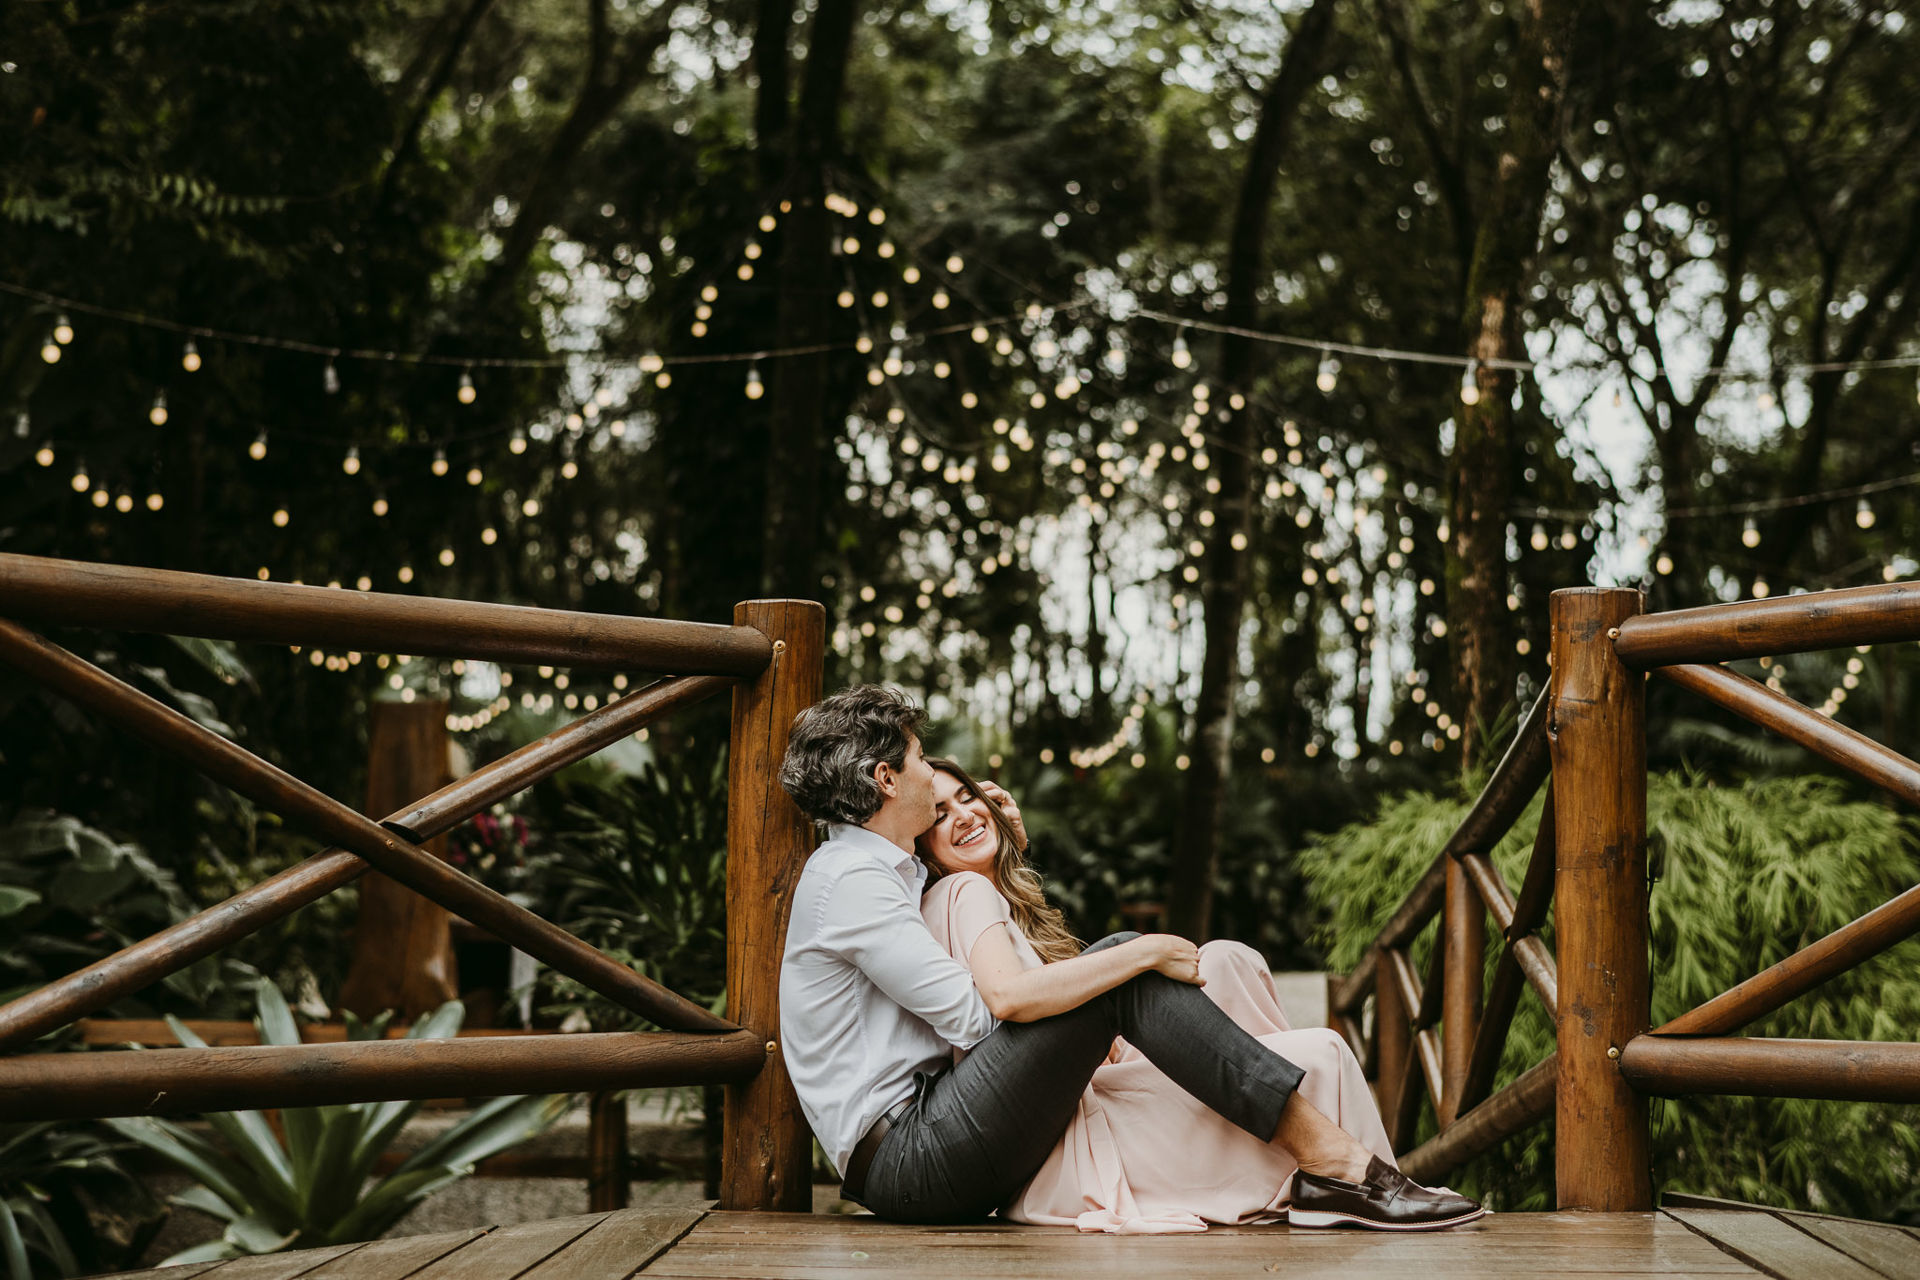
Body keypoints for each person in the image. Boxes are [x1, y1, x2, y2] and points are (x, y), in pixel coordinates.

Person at [777, 684, 1484, 1231]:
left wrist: (1011, 850)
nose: (933, 774)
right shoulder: (854, 882)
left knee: (1134, 968)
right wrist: (1132, 961)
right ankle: (1337, 1164)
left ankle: (1332, 1167)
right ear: (886, 779)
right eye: (920, 758)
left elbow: (981, 940)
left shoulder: (886, 871)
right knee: (1124, 963)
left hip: (936, 1133)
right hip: (912, 1159)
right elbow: (986, 1013)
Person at [916, 754, 1400, 1233]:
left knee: (1224, 960)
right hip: (1064, 1141)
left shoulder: (986, 897)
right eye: (940, 813)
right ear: (921, 844)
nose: (963, 815)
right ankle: (1345, 1169)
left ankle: (1288, 1134)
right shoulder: (962, 892)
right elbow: (1012, 1001)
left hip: (1068, 1095)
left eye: (969, 797)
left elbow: (1050, 1000)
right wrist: (1141, 953)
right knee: (1323, 1053)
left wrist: (1011, 851)